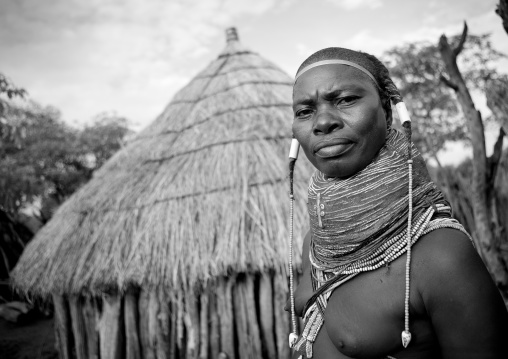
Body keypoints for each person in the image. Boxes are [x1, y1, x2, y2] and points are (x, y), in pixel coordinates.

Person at [287, 47, 508, 359]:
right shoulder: (316, 243)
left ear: (387, 110)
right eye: (305, 111)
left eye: (346, 99)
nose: (322, 122)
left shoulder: (440, 254)